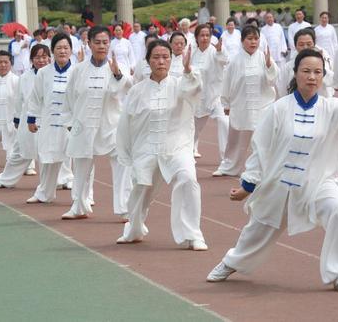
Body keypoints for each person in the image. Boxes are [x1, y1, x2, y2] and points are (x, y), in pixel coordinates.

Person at [206, 49, 338, 293]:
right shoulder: (278, 109)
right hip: (280, 183)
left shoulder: (332, 108)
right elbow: (260, 149)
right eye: (306, 71)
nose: (312, 77)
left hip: (318, 183)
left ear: (324, 76)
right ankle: (231, 262)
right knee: (257, 230)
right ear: (295, 73)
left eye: (317, 72)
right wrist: (247, 186)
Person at [116, 40, 207, 250]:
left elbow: (194, 89)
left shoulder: (180, 84)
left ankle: (192, 235)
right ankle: (134, 228)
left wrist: (188, 71)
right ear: (148, 61)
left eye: (165, 57)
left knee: (188, 179)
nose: (161, 61)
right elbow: (125, 124)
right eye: (156, 57)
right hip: (146, 148)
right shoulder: (137, 91)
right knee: (141, 190)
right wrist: (126, 152)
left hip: (177, 147)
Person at [61, 26, 133, 221]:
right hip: (84, 126)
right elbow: (68, 98)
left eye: (105, 42)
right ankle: (79, 205)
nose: (102, 46)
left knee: (122, 165)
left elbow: (129, 87)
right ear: (89, 44)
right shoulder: (79, 69)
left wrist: (118, 75)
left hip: (112, 126)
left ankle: (124, 208)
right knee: (82, 166)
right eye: (97, 42)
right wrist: (70, 122)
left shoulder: (118, 68)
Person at [214, 25, 278, 177]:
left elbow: (272, 81)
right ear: (242, 41)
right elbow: (227, 82)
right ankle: (228, 166)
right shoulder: (234, 60)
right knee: (236, 139)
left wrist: (269, 65)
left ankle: (263, 169)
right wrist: (226, 103)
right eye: (249, 39)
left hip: (262, 105)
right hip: (241, 105)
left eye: (256, 39)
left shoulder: (264, 57)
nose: (253, 42)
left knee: (263, 139)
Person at [0, 44, 51, 189]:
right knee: (20, 150)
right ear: (31, 60)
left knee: (52, 154)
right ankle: (5, 179)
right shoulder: (24, 77)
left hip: (49, 120)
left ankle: (60, 180)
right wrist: (17, 119)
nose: (41, 60)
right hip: (28, 120)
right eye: (37, 57)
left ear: (49, 58)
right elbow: (19, 100)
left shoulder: (54, 75)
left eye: (44, 57)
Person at [26, 33, 75, 204]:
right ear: (53, 51)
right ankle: (44, 193)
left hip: (70, 124)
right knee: (47, 158)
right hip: (48, 122)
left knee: (77, 159)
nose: (62, 51)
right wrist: (31, 119)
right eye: (59, 48)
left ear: (71, 50)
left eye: (66, 48)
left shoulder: (77, 72)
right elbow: (35, 97)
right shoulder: (43, 73)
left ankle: (83, 196)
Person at [191, 24, 229, 160]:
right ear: (196, 37)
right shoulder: (192, 53)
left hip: (215, 96)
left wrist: (220, 51)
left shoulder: (216, 51)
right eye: (202, 35)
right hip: (198, 97)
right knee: (195, 127)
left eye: (208, 35)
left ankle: (225, 157)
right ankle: (192, 148)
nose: (205, 38)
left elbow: (225, 60)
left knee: (224, 122)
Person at [277, 28, 334, 98]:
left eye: (309, 44)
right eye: (301, 44)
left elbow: (332, 82)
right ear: (295, 46)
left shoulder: (322, 61)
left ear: (314, 44)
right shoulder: (287, 67)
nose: (305, 47)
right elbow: (282, 90)